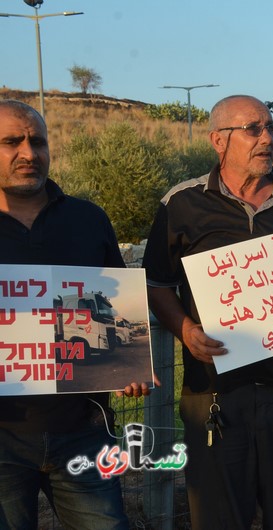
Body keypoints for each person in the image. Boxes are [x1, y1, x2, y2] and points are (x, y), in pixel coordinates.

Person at [142, 95, 273, 529]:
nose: (267, 138)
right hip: (214, 395)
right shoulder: (181, 204)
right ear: (218, 141)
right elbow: (156, 284)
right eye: (253, 129)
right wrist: (185, 328)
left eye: (271, 128)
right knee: (218, 518)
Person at [0, 99, 151, 529]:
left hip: (83, 428)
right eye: (12, 142)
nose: (29, 153)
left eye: (38, 141)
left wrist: (128, 369)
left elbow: (117, 309)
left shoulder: (88, 219)